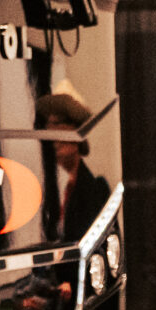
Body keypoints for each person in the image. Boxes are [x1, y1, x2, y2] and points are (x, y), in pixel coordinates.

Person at [36, 92, 112, 241]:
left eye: (58, 123)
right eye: (48, 125)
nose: (52, 131)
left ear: (77, 131)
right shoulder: (43, 186)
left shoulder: (97, 190)